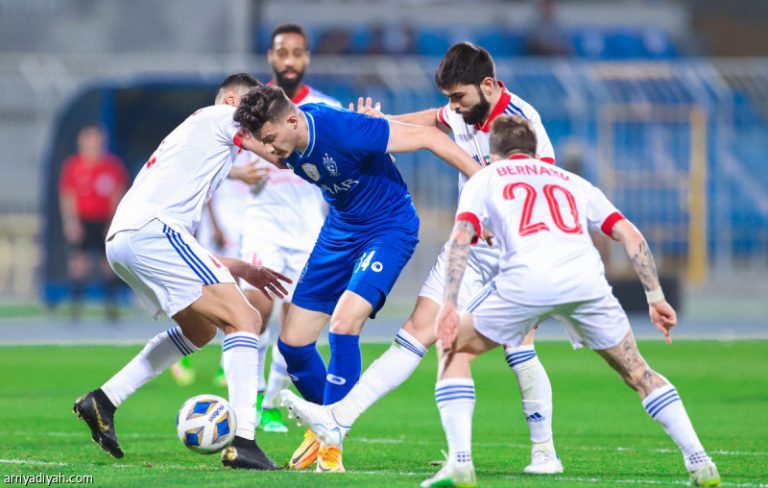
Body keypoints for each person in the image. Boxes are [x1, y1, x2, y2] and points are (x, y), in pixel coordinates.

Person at [281, 42, 563, 474]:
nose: (454, 107)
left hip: (518, 250)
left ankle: (545, 453)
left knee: (518, 348)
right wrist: (377, 126)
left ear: (488, 85)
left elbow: (542, 191)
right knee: (415, 334)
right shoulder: (466, 109)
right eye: (450, 98)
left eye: (459, 97)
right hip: (469, 246)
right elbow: (433, 119)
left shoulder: (523, 127)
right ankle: (337, 421)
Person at [420, 115, 717, 486]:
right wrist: (655, 297)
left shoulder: (485, 178)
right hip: (585, 283)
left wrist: (449, 304)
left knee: (453, 348)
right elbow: (631, 235)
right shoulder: (574, 182)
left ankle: (461, 464)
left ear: (494, 153)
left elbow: (462, 237)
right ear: (534, 151)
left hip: (526, 281)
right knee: (638, 372)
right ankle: (700, 461)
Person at [233, 83, 480, 472]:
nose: (268, 149)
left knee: (345, 321)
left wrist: (487, 187)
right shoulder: (284, 140)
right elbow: (265, 149)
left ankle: (332, 444)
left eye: (270, 139)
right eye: (263, 141)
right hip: (339, 231)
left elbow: (430, 137)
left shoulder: (342, 128)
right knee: (292, 345)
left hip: (388, 227)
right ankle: (325, 421)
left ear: (292, 120)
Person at [72, 73, 291, 471]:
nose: (259, 121)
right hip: (152, 232)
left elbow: (183, 245)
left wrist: (241, 267)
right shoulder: (221, 117)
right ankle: (245, 441)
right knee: (245, 318)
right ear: (231, 100)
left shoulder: (204, 146)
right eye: (252, 109)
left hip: (127, 239)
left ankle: (103, 400)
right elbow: (278, 151)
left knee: (201, 329)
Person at [239, 23, 341, 434]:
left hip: (308, 229)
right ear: (270, 57)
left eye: (297, 52)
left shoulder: (325, 107)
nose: (290, 60)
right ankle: (249, 396)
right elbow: (222, 155)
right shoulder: (250, 108)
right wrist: (237, 175)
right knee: (255, 310)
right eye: (282, 52)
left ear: (307, 57)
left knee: (295, 322)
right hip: (263, 224)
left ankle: (271, 404)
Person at [58, 125, 128, 321]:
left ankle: (111, 308)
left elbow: (117, 195)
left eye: (97, 143)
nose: (93, 147)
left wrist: (113, 222)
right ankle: (75, 309)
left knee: (109, 264)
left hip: (104, 220)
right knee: (79, 264)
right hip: (83, 220)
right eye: (89, 143)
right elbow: (68, 195)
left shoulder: (113, 166)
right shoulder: (73, 166)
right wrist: (71, 222)